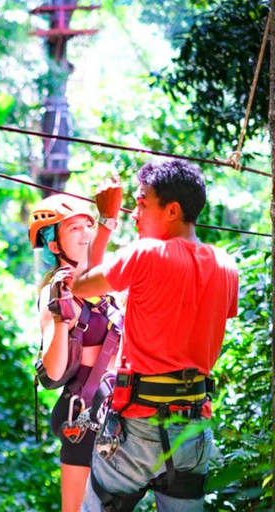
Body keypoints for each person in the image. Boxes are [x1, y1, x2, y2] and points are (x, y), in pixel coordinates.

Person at [73, 160, 239, 511]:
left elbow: (82, 285)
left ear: (172, 210)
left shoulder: (147, 254)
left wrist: (105, 220)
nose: (135, 212)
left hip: (137, 425)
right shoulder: (227, 266)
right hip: (192, 428)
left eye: (143, 202)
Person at [30, 181, 123, 512]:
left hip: (120, 411)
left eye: (88, 225)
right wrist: (59, 319)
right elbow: (53, 372)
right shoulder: (54, 293)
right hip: (83, 413)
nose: (86, 234)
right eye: (74, 228)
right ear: (55, 245)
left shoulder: (105, 284)